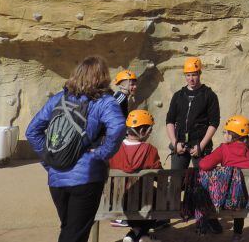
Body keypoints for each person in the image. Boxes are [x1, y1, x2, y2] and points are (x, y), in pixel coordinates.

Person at [26, 56, 126, 242]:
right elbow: (118, 127)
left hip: (57, 178)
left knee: (69, 229)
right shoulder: (104, 101)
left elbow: (32, 131)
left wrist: (49, 160)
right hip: (86, 177)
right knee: (75, 234)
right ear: (102, 76)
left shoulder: (59, 98)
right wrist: (102, 154)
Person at [166, 56, 222, 233]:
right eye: (188, 74)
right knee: (175, 180)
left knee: (204, 183)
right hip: (180, 145)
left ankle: (208, 219)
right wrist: (175, 143)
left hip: (200, 145)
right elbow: (169, 121)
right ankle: (166, 217)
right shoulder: (178, 95)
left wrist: (202, 146)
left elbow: (214, 122)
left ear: (200, 74)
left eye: (194, 74)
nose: (191, 78)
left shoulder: (209, 95)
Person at [199, 116, 249, 242]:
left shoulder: (224, 149)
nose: (225, 134)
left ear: (232, 134)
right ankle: (237, 234)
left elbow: (203, 165)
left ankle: (208, 227)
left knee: (229, 189)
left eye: (226, 132)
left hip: (225, 200)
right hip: (248, 200)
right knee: (241, 190)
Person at [109, 110, 162, 242]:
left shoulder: (114, 148)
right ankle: (143, 234)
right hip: (143, 201)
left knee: (135, 196)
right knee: (156, 195)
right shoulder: (150, 150)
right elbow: (159, 177)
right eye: (149, 129)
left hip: (116, 201)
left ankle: (136, 232)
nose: (150, 132)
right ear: (142, 131)